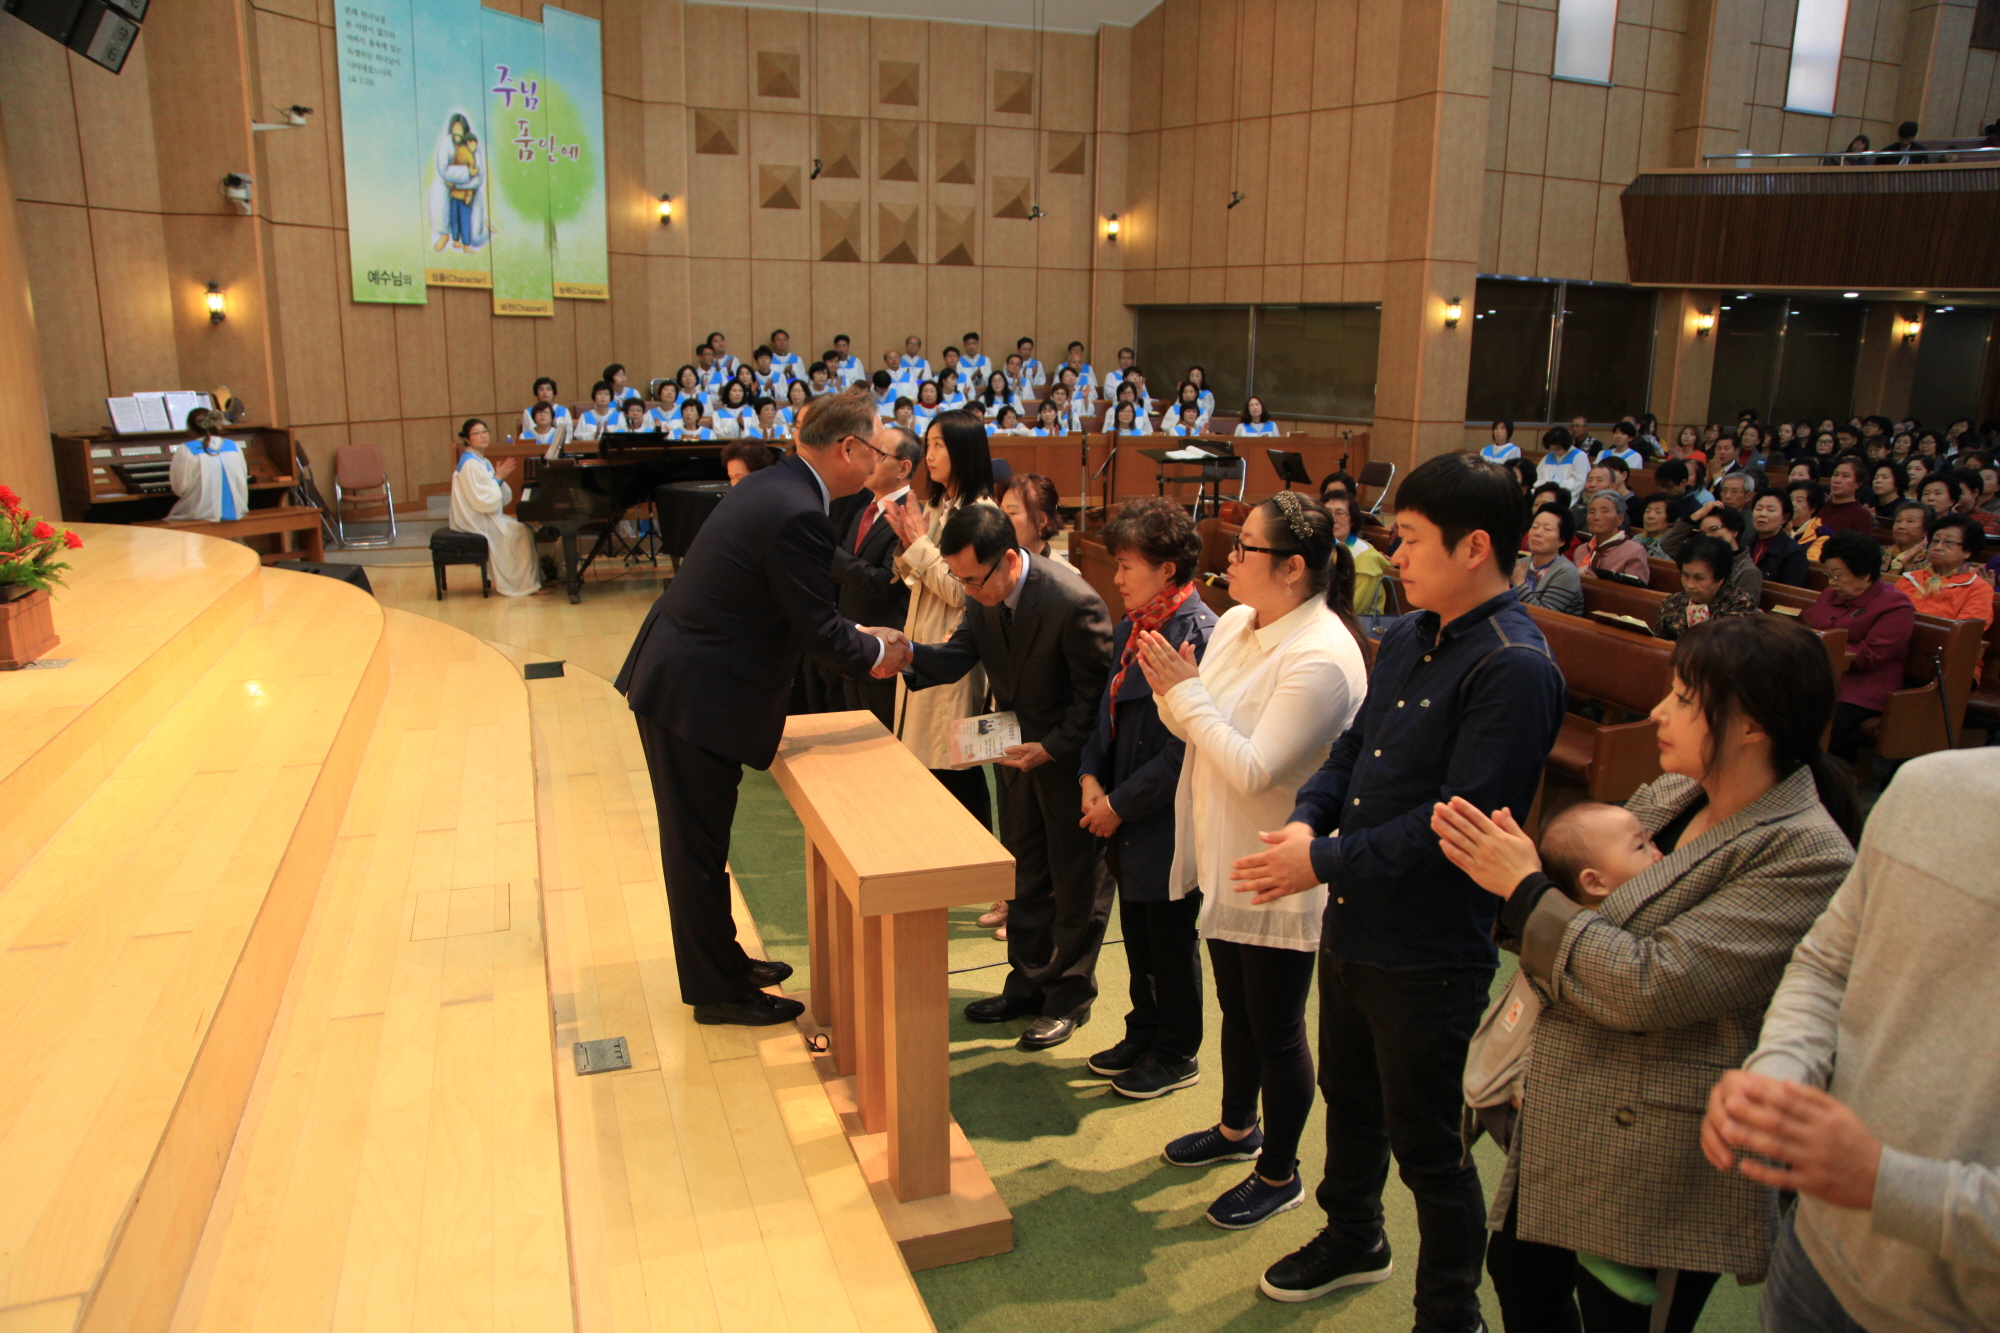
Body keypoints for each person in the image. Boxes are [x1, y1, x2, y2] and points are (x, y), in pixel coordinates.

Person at [1438, 614, 1858, 1332]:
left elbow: (1651, 982)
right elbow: (1591, 903)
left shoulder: (1807, 853)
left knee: (1621, 1317)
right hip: (1571, 1097)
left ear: (1752, 726)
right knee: (1520, 1275)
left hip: (1661, 1140)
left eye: (1684, 699)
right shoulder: (1676, 792)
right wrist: (1535, 877)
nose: (1658, 712)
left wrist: (1528, 890)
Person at [1235, 452, 1566, 1325]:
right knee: (1351, 1101)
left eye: (1412, 539)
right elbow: (1354, 749)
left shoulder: (1513, 665)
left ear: (1475, 547)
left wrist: (1321, 860)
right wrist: (1308, 819)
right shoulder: (1416, 632)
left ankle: (1449, 1308)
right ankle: (1355, 1235)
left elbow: (1454, 823)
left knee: (1429, 1141)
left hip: (1429, 944)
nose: (1396, 554)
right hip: (1356, 918)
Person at [615, 388, 909, 1027]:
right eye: (876, 448)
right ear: (848, 448)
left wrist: (860, 637)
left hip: (692, 676)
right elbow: (817, 629)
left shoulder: (779, 486)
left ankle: (724, 961)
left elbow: (793, 603)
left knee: (705, 842)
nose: (878, 460)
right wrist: (879, 650)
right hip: (694, 691)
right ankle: (717, 993)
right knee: (695, 849)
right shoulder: (796, 507)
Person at [1702, 748, 2000, 1333]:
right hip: (1818, 1254)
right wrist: (1779, 1073)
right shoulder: (1929, 788)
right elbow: (1830, 963)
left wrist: (1888, 1184)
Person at [1142, 494, 1367, 1227]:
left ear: (1293, 568)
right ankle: (1238, 1128)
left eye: (1245, 548)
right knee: (1236, 1007)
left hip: (1278, 863)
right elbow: (1191, 721)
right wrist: (1177, 693)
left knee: (1276, 1025)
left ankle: (1280, 1172)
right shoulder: (1239, 621)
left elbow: (1251, 767)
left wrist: (1184, 696)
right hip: (1223, 846)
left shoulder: (1321, 656)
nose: (1229, 558)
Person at [890, 504, 1114, 1050]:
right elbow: (958, 655)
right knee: (1025, 877)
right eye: (960, 579)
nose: (967, 590)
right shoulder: (983, 593)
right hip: (1015, 757)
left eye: (973, 580)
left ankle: (1068, 997)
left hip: (1068, 766)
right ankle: (1027, 985)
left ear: (1010, 560)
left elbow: (1094, 701)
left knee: (1075, 886)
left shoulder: (1073, 602)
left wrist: (1052, 748)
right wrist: (905, 654)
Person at [1077, 499, 1218, 1098]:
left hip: (1166, 819)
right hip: (1125, 811)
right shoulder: (1134, 625)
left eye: (1127, 565)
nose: (1117, 577)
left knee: (1169, 939)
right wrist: (1090, 776)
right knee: (1137, 933)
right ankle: (1144, 1033)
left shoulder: (1200, 635)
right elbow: (1105, 715)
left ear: (1166, 569)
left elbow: (1187, 749)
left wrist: (1119, 805)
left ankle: (1177, 1051)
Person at [879, 410, 998, 830]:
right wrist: (908, 544)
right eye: (927, 444)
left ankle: (979, 857)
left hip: (954, 650)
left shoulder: (980, 513)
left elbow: (962, 590)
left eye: (938, 445)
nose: (928, 455)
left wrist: (918, 544)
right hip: (924, 637)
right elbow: (920, 579)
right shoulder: (937, 504)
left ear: (963, 450)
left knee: (955, 766)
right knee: (925, 762)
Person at [830, 425, 921, 730]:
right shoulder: (865, 509)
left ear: (903, 468)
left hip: (886, 649)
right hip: (854, 645)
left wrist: (830, 554)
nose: (869, 459)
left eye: (879, 454)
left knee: (885, 739)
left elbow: (887, 583)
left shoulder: (911, 515)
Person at [1802, 531, 1916, 763]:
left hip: (1863, 687)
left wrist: (1822, 644)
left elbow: (1869, 657)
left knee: (1825, 716)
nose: (1831, 583)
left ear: (1865, 574)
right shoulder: (1830, 594)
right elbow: (1810, 626)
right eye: (1828, 575)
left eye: (1838, 575)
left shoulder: (1895, 605)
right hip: (1820, 676)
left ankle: (1833, 775)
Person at [447, 418, 541, 597]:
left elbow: (491, 494)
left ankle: (530, 580)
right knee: (520, 531)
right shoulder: (470, 463)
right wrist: (498, 477)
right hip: (473, 517)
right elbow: (483, 500)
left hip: (482, 512)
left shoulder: (480, 460)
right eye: (477, 433)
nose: (483, 435)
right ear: (467, 439)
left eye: (485, 431)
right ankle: (520, 585)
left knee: (523, 529)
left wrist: (500, 478)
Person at [1894, 515, 1993, 673]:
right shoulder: (1910, 578)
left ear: (1968, 551)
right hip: (1900, 651)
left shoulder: (1978, 588)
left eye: (1948, 543)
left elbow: (1965, 634)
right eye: (1935, 540)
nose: (1938, 547)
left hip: (1949, 662)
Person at [1655, 535, 1758, 640]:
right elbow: (1659, 643)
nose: (1689, 585)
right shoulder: (1672, 603)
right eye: (1685, 575)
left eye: (1699, 578)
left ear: (1720, 578)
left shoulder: (1741, 604)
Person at [167, 407, 249, 522]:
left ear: (190, 428)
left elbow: (181, 488)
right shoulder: (233, 446)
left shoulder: (186, 449)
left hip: (200, 513)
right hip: (237, 510)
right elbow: (243, 477)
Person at [1328, 495, 1394, 616]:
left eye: (1340, 513)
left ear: (1352, 520)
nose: (1332, 519)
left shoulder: (1365, 559)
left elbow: (1349, 611)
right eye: (1327, 513)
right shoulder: (1321, 547)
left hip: (1353, 623)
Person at [1514, 503, 1585, 616]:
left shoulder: (1566, 572)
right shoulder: (1521, 563)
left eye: (1547, 529)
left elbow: (1545, 616)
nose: (1537, 533)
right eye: (1535, 527)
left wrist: (1519, 584)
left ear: (1562, 540)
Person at [1575, 492, 1650, 584]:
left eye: (1605, 511)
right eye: (1592, 512)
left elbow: (1636, 591)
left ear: (1620, 519)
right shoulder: (1581, 550)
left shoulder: (1634, 551)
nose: (1596, 517)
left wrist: (1598, 584)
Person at [999, 472, 1067, 564]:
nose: (1002, 519)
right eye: (1001, 511)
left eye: (1012, 512)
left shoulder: (1061, 571)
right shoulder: (993, 563)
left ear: (1041, 520)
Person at [1746, 490, 1809, 587]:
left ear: (1784, 518)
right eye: (1758, 508)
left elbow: (1788, 591)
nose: (1762, 514)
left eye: (1771, 510)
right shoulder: (1744, 543)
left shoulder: (1794, 552)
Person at [1818, 457, 1876, 535]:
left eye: (1845, 476)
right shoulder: (1820, 506)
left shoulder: (1861, 515)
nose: (1837, 480)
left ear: (1858, 484)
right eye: (1835, 474)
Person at [1536, 427, 1591, 504]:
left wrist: (1558, 493)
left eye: (1558, 448)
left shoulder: (1579, 456)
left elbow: (1579, 482)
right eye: (1553, 449)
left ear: (1566, 444)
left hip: (1567, 497)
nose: (1555, 451)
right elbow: (1540, 478)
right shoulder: (1547, 458)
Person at [1881, 501, 1930, 579]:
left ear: (1926, 530)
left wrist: (1907, 565)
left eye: (1910, 521)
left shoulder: (1930, 559)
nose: (1901, 526)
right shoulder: (1880, 552)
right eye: (1898, 520)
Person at [520, 376, 573, 443]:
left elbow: (568, 435)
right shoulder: (528, 412)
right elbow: (527, 435)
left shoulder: (564, 411)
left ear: (554, 392)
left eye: (548, 389)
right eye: (541, 389)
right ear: (536, 393)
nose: (545, 392)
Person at [1786, 481, 1830, 560]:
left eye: (1799, 501)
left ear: (1813, 508)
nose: (1792, 504)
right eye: (1790, 499)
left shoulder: (1821, 535)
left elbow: (1808, 563)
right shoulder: (1778, 526)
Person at [1635, 493, 1672, 558]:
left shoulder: (1675, 546)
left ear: (1671, 520)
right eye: (1648, 511)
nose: (1650, 516)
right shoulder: (1636, 539)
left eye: (1658, 512)